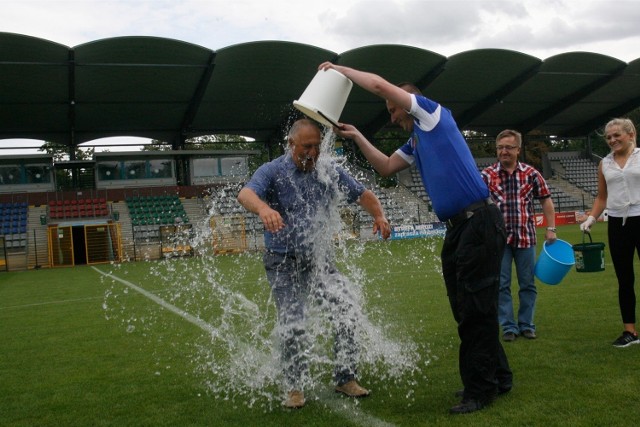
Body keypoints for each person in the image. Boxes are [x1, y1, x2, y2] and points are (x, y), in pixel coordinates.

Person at [318, 63, 512, 414]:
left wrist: (338, 68)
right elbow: (386, 166)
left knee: (474, 310)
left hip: (478, 223)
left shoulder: (432, 114)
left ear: (409, 101)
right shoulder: (417, 140)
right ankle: (497, 376)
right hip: (459, 229)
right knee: (466, 309)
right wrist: (357, 135)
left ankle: (480, 390)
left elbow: (378, 84)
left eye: (393, 109)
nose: (391, 117)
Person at [237, 118, 391, 409]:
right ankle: (294, 387)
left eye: (317, 146)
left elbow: (363, 194)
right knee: (293, 321)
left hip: (319, 259)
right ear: (291, 144)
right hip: (282, 261)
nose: (312, 152)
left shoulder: (327, 170)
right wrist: (264, 208)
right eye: (306, 146)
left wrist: (379, 215)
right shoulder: (272, 171)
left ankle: (345, 378)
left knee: (346, 309)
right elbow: (246, 194)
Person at [481, 129, 557, 342]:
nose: (504, 151)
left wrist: (551, 228)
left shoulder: (531, 173)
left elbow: (546, 201)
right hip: (498, 241)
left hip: (525, 237)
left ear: (518, 150)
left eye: (509, 147)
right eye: (500, 148)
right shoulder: (486, 175)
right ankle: (508, 327)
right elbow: (477, 205)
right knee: (501, 285)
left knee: (528, 284)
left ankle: (526, 325)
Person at [579, 118, 640, 348]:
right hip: (617, 223)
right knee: (625, 279)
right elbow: (602, 197)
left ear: (630, 133)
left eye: (617, 135)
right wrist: (592, 218)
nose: (612, 140)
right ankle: (630, 331)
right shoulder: (604, 164)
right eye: (608, 137)